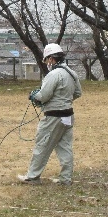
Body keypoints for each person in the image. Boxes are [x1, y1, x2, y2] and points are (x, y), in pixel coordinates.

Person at [18, 43, 82, 186]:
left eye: (47, 59)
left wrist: (33, 96)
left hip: (53, 116)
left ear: (52, 58)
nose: (47, 63)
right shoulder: (72, 73)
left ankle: (32, 177)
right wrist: (64, 100)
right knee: (65, 147)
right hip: (68, 115)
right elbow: (78, 93)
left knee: (42, 145)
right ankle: (66, 179)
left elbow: (44, 95)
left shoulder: (53, 75)